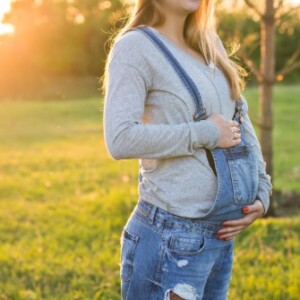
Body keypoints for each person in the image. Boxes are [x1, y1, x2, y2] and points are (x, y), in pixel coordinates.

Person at [102, 0, 273, 299]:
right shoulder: (135, 47)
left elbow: (240, 121)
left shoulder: (210, 44)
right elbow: (120, 138)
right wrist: (205, 132)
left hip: (219, 238)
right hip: (170, 238)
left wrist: (263, 191)